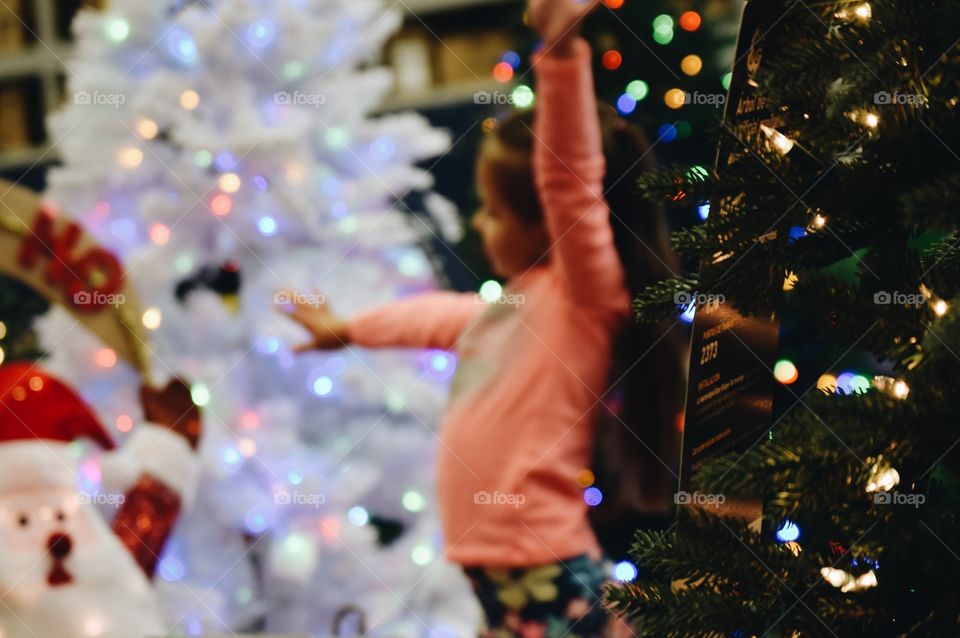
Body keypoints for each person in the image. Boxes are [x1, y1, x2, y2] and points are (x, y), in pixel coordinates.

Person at [279, 0, 686, 634]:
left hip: (544, 564)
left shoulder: (583, 300)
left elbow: (570, 184)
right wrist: (349, 330)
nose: (477, 222)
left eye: (493, 211)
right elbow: (431, 318)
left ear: (544, 224)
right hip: (503, 577)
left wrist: (561, 55)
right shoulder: (509, 312)